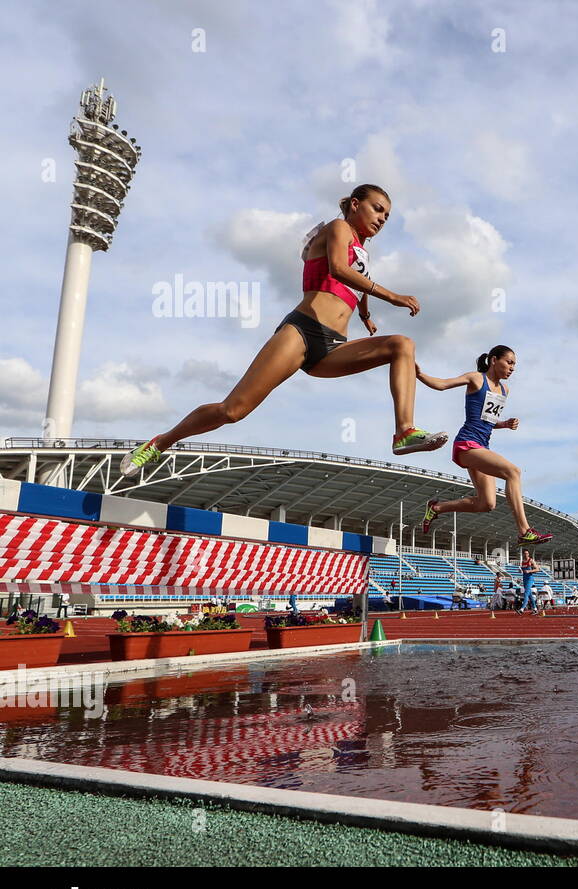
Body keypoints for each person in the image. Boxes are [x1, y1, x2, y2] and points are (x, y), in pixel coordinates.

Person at [120, 184, 447, 476]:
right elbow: (337, 268)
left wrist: (365, 314)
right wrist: (391, 296)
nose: (382, 219)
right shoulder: (338, 227)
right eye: (377, 209)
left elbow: (354, 281)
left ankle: (404, 432)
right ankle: (161, 441)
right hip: (303, 332)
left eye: (387, 216)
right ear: (355, 204)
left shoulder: (362, 250)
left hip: (334, 347)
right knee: (233, 410)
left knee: (402, 345)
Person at [417, 345, 552, 546]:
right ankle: (524, 530)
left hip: (482, 447)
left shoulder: (505, 389)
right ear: (494, 360)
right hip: (466, 445)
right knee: (513, 472)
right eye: (509, 362)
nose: (513, 368)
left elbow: (487, 419)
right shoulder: (476, 378)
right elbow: (443, 384)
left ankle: (436, 508)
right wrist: (419, 374)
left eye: (514, 364)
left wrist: (504, 424)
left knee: (486, 503)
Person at [517, 550, 538, 614]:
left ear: (528, 554)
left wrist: (529, 571)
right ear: (523, 554)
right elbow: (523, 570)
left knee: (526, 593)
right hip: (524, 579)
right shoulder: (522, 562)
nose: (526, 555)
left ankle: (522, 609)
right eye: (525, 553)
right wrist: (520, 571)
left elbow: (537, 569)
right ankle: (535, 609)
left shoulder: (531, 560)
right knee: (530, 595)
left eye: (527, 553)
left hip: (530, 579)